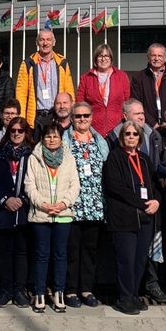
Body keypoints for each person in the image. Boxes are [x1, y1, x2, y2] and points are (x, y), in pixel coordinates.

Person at [104, 121, 162, 315]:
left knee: (139, 260)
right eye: (127, 134)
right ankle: (124, 297)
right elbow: (115, 187)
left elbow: (155, 185)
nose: (131, 137)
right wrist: (141, 203)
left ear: (139, 138)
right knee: (126, 260)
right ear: (122, 137)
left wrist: (156, 202)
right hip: (123, 217)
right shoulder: (115, 157)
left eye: (135, 134)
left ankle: (134, 294)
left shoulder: (144, 159)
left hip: (145, 217)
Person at [23, 123, 80, 313]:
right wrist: (42, 204)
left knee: (61, 255)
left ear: (61, 138)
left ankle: (59, 293)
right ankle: (39, 293)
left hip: (62, 214)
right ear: (43, 138)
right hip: (41, 214)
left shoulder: (69, 158)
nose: (52, 140)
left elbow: (75, 185)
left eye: (55, 136)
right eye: (48, 136)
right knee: (41, 255)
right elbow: (29, 185)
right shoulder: (34, 157)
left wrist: (64, 204)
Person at [63, 102, 109, 308]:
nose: (82, 119)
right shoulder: (65, 140)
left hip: (95, 204)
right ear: (72, 119)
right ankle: (71, 290)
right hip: (72, 204)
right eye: (78, 116)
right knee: (72, 250)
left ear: (91, 117)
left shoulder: (100, 140)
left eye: (86, 115)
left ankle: (86, 289)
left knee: (90, 250)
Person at [0, 117, 34, 307]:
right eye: (13, 130)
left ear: (25, 133)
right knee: (2, 253)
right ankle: (4, 290)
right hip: (3, 211)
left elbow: (36, 180)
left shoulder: (32, 154)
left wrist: (22, 199)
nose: (16, 134)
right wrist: (5, 199)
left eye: (20, 131)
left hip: (23, 211)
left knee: (21, 253)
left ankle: (19, 290)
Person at [14, 28, 75, 126]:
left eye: (48, 40)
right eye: (42, 40)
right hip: (36, 117)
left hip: (57, 115)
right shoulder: (28, 63)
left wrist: (70, 115)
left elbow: (69, 92)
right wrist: (21, 119)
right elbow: (21, 94)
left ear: (54, 42)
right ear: (37, 42)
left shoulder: (62, 63)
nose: (45, 43)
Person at [78, 44, 131, 136]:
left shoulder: (122, 76)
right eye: (100, 56)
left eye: (106, 56)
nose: (103, 59)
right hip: (93, 128)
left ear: (111, 58)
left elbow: (127, 101)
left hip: (118, 127)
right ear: (95, 59)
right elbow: (80, 102)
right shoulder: (86, 78)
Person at [130, 43, 166, 128]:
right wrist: (152, 123)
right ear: (148, 57)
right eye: (153, 55)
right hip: (147, 126)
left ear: (165, 58)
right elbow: (136, 103)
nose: (156, 58)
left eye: (160, 56)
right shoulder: (138, 77)